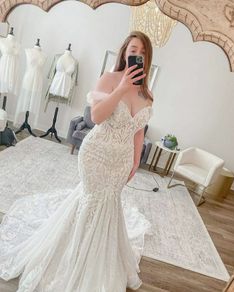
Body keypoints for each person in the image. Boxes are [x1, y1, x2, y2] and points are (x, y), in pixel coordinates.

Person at [0, 31, 153, 292]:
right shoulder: (110, 79)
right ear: (124, 52)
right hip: (95, 154)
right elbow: (96, 117)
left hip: (121, 161)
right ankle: (74, 258)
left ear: (147, 58)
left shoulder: (147, 95)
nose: (136, 55)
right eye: (133, 50)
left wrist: (135, 162)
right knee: (91, 200)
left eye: (141, 52)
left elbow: (138, 131)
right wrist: (122, 88)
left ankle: (98, 256)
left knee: (109, 204)